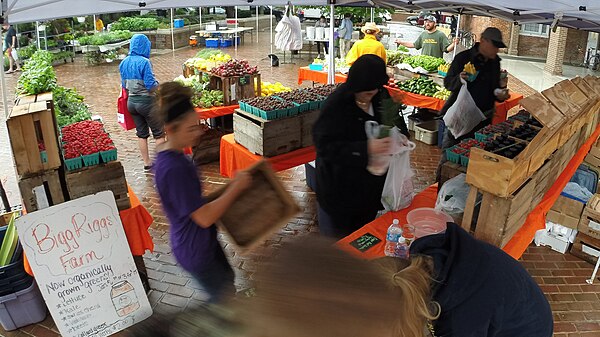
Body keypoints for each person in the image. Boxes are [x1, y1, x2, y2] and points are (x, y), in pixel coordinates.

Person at [153, 82, 252, 303]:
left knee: (227, 284)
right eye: (191, 129)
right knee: (223, 300)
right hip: (194, 248)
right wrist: (236, 187)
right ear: (170, 130)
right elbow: (204, 217)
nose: (198, 133)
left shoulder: (172, 155)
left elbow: (192, 204)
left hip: (201, 242)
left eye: (197, 125)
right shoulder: (173, 168)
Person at [313, 54, 391, 239]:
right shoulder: (336, 106)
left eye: (373, 92)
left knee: (362, 240)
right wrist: (366, 149)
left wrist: (398, 137)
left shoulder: (380, 97)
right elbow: (325, 147)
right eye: (365, 93)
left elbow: (392, 121)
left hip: (368, 192)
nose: (369, 97)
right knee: (339, 247)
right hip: (339, 191)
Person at [435, 27, 510, 184]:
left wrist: (500, 92)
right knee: (450, 156)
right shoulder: (463, 58)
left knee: (474, 157)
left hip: (483, 119)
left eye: (498, 46)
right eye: (494, 45)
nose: (496, 50)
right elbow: (448, 83)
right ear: (483, 41)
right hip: (460, 116)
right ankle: (442, 188)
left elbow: (493, 88)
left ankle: (464, 188)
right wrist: (460, 78)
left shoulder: (495, 62)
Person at [119, 34, 164, 170]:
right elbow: (150, 85)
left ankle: (146, 162)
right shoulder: (144, 62)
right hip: (147, 103)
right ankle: (163, 164)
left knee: (141, 134)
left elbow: (124, 85)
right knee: (159, 134)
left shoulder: (124, 62)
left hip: (131, 103)